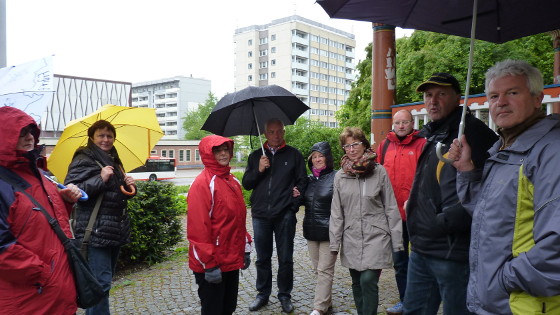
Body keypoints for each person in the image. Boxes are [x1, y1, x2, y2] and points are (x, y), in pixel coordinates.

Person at [448, 59, 560, 314]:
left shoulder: (551, 151)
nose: (501, 102)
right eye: (494, 95)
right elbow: (491, 217)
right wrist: (466, 170)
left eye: (512, 92)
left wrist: (504, 279)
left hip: (524, 304)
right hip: (498, 302)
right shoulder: (506, 149)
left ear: (537, 98)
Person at [403, 73, 498, 315]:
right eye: (428, 95)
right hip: (422, 248)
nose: (432, 101)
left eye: (441, 94)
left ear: (457, 97)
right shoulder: (431, 134)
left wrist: (445, 221)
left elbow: (488, 190)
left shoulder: (474, 133)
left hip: (452, 250)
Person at [0, 106, 82, 314]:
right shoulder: (3, 183)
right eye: (21, 133)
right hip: (28, 299)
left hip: (57, 292)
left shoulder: (37, 172)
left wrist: (65, 201)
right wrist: (45, 274)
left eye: (31, 132)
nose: (30, 138)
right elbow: (3, 249)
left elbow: (39, 220)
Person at [64, 119, 137, 315]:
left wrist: (131, 185)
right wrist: (100, 178)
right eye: (101, 136)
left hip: (114, 230)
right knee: (100, 284)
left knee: (104, 282)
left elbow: (118, 194)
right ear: (92, 138)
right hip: (94, 230)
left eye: (109, 136)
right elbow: (72, 192)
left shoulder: (113, 159)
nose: (106, 140)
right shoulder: (83, 159)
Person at [329, 127, 403, 315]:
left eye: (355, 144)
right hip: (351, 235)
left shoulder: (379, 172)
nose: (351, 149)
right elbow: (337, 212)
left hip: (376, 234)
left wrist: (397, 241)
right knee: (356, 282)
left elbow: (391, 207)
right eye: (347, 146)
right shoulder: (340, 176)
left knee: (368, 280)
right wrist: (334, 243)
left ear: (364, 145)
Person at [242, 118, 307, 313]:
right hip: (261, 215)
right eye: (272, 132)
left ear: (284, 132)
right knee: (262, 258)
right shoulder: (255, 156)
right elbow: (247, 183)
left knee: (285, 258)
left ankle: (284, 295)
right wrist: (259, 169)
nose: (276, 135)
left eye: (279, 131)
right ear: (265, 134)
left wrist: (292, 206)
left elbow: (303, 182)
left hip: (284, 215)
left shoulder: (294, 155)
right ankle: (262, 294)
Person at [187, 135, 252, 315]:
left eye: (226, 149)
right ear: (208, 154)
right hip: (212, 262)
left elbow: (239, 220)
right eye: (217, 150)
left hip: (230, 258)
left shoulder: (232, 181)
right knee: (213, 310)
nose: (223, 154)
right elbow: (198, 229)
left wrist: (244, 247)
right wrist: (209, 264)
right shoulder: (203, 184)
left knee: (228, 308)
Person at [376, 109, 426, 315]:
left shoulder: (423, 144)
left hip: (417, 213)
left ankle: (422, 300)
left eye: (405, 122)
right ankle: (405, 301)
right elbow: (376, 175)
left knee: (421, 259)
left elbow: (429, 178)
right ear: (393, 125)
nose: (402, 126)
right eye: (398, 123)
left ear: (412, 123)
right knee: (400, 261)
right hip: (393, 215)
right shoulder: (385, 145)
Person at [293, 141, 338, 315]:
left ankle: (318, 308)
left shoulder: (336, 177)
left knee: (325, 271)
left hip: (329, 231)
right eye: (314, 157)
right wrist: (296, 195)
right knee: (318, 270)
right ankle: (327, 303)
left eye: (321, 156)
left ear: (328, 158)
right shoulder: (309, 180)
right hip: (311, 231)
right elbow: (301, 203)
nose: (317, 159)